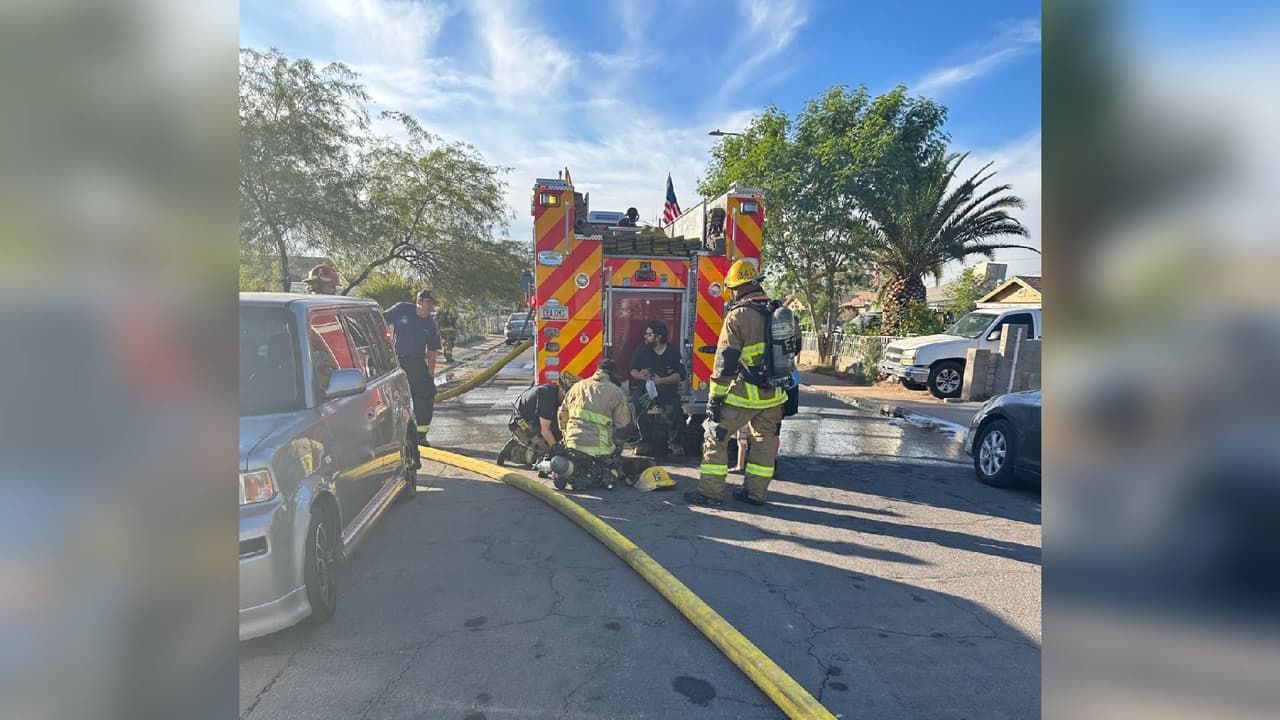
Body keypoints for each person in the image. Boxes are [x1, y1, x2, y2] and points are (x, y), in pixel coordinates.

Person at [686, 259, 788, 508]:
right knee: (764, 443)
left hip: (744, 393)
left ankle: (710, 494)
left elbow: (726, 361)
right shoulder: (778, 312)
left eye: (732, 288)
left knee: (715, 435)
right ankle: (755, 494)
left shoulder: (739, 315)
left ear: (739, 287)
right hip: (775, 394)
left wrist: (714, 398)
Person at [383, 289, 441, 445]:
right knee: (393, 399)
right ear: (419, 302)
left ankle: (421, 436)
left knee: (425, 396)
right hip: (397, 363)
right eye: (428, 303)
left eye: (432, 305)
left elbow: (432, 350)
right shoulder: (401, 309)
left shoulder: (430, 324)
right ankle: (394, 436)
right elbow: (381, 320)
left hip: (417, 363)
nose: (430, 307)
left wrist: (430, 374)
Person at [496, 371, 581, 467]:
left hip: (535, 423)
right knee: (547, 456)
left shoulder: (558, 396)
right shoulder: (547, 397)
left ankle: (527, 443)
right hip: (522, 426)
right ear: (562, 389)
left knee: (558, 437)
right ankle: (513, 452)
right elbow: (545, 430)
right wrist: (556, 449)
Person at [628, 320, 686, 455]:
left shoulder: (672, 352)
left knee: (676, 408)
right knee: (638, 404)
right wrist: (641, 376)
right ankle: (644, 442)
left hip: (667, 389)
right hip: (645, 391)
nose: (645, 337)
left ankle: (675, 444)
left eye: (649, 334)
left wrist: (662, 381)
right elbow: (632, 370)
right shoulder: (642, 350)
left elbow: (680, 375)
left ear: (658, 336)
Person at [558, 358, 632, 458]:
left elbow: (562, 415)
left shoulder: (577, 386)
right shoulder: (616, 392)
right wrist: (618, 446)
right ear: (613, 374)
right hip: (601, 451)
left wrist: (567, 437)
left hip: (573, 447)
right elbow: (623, 426)